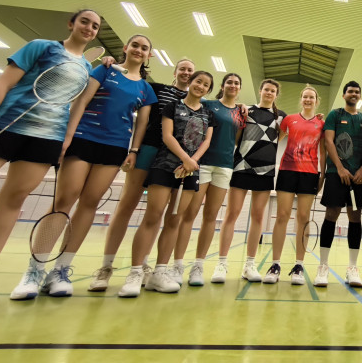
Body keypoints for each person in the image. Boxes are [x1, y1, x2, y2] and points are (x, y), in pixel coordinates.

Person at [0, 9, 101, 310]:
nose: (90, 28)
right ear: (71, 24)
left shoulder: (87, 67)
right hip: (7, 126)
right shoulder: (42, 46)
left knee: (13, 201)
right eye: (85, 22)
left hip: (46, 139)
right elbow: (2, 85)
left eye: (95, 26)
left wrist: (64, 141)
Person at [11, 34, 157, 300]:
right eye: (134, 45)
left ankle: (61, 270)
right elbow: (82, 100)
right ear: (126, 48)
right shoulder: (105, 69)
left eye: (144, 48)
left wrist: (133, 151)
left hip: (115, 147)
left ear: (149, 55)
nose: (138, 50)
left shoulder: (146, 90)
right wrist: (68, 136)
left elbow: (142, 124)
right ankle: (34, 271)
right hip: (83, 138)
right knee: (65, 199)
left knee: (90, 203)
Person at [86, 58, 195, 291]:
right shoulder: (154, 89)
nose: (186, 73)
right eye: (183, 68)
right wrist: (110, 64)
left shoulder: (196, 102)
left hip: (170, 159)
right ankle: (106, 267)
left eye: (190, 70)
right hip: (147, 150)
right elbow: (128, 85)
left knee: (154, 214)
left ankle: (143, 265)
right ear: (175, 72)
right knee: (127, 205)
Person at [117, 71, 215, 297]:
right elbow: (167, 136)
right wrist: (185, 159)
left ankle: (160, 272)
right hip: (165, 165)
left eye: (205, 85)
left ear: (208, 90)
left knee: (174, 220)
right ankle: (134, 273)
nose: (200, 86)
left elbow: (207, 141)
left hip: (190, 171)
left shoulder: (209, 114)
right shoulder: (172, 107)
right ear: (190, 83)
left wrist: (193, 162)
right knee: (153, 216)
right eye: (198, 81)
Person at [170, 73, 246, 287]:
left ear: (239, 88)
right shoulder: (207, 104)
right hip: (201, 164)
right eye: (229, 82)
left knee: (211, 216)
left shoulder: (240, 113)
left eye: (236, 83)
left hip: (224, 166)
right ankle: (177, 265)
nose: (233, 85)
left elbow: (236, 139)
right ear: (222, 86)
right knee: (189, 214)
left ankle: (198, 266)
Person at [213, 79, 286, 284]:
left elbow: (279, 137)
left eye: (273, 90)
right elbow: (238, 137)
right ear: (260, 91)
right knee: (232, 214)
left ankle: (250, 264)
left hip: (265, 170)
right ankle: (222, 263)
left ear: (276, 94)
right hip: (241, 167)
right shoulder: (246, 110)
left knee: (257, 217)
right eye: (266, 89)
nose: (269, 93)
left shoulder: (281, 116)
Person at [266, 86, 325, 285]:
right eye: (305, 96)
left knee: (303, 218)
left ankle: (299, 265)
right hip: (287, 171)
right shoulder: (288, 120)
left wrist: (322, 176)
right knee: (282, 216)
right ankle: (275, 264)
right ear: (301, 99)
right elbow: (275, 140)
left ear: (317, 101)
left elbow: (324, 152)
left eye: (312, 97)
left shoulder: (321, 123)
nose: (308, 100)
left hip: (309, 174)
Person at [316, 81, 362, 288]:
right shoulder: (335, 115)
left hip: (358, 177)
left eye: (357, 91)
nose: (354, 94)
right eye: (350, 91)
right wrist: (339, 167)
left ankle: (352, 268)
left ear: (359, 95)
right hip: (335, 175)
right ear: (344, 95)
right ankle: (323, 267)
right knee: (331, 215)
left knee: (355, 217)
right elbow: (328, 142)